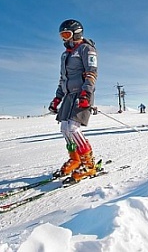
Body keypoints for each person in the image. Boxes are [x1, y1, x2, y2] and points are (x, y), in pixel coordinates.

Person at [49, 19, 98, 182]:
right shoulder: (65, 55)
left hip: (82, 93)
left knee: (74, 128)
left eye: (67, 34)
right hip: (69, 95)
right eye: (62, 35)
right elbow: (62, 79)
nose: (64, 39)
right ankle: (75, 159)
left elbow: (91, 73)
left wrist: (86, 93)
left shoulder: (86, 49)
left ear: (76, 33)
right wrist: (57, 98)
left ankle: (88, 164)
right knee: (64, 128)